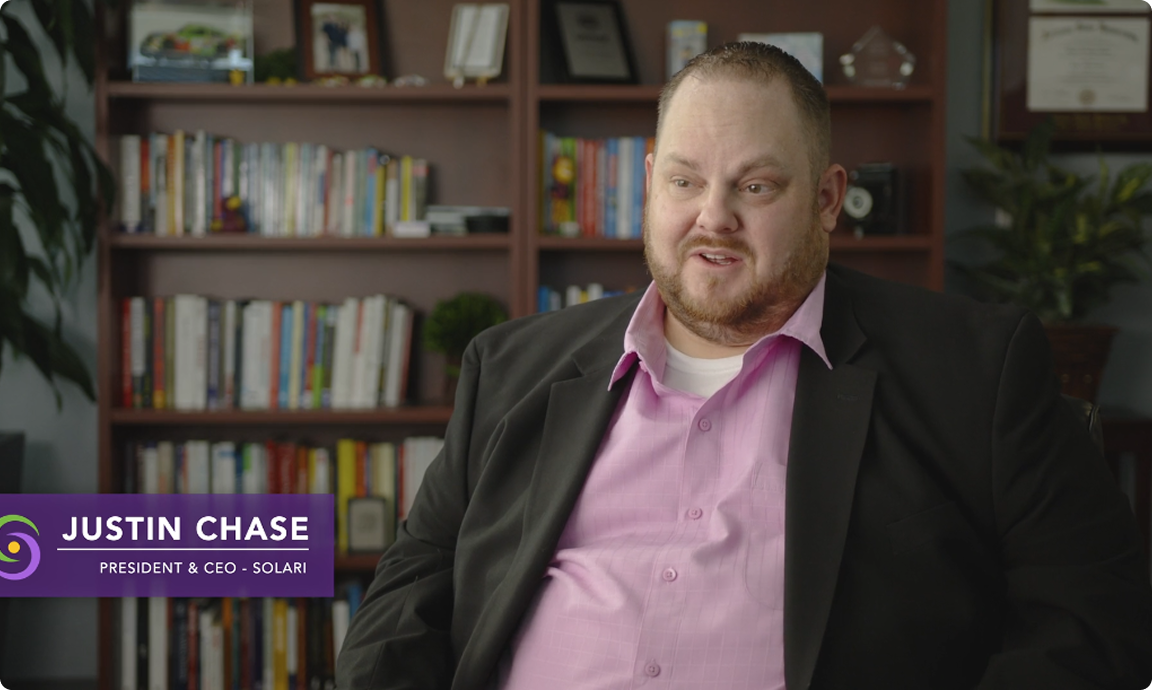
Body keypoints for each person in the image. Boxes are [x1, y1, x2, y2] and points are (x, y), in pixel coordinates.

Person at [337, 42, 1152, 689]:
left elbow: (1088, 622)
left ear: (829, 199)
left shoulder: (976, 367)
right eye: (685, 181)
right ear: (651, 185)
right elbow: (407, 596)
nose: (712, 218)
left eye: (756, 186)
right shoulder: (511, 367)